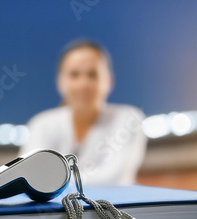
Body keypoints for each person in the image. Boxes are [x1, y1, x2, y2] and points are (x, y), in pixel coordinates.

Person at [19, 39, 147, 185]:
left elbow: (112, 178)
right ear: (60, 81)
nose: (83, 84)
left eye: (92, 74)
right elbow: (30, 177)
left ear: (109, 81)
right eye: (74, 74)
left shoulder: (129, 119)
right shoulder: (41, 124)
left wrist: (54, 183)